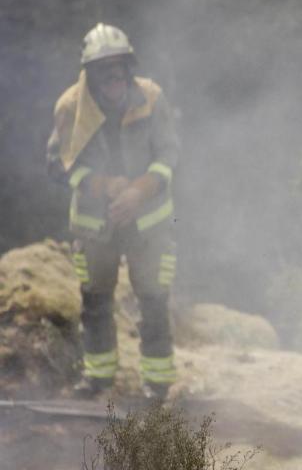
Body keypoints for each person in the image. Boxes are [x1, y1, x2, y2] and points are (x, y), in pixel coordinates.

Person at [46, 23, 179, 401]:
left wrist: (139, 190)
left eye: (120, 66)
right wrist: (103, 186)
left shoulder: (151, 98)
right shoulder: (71, 107)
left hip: (149, 224)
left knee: (153, 299)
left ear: (129, 66)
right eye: (105, 69)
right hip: (95, 226)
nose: (115, 75)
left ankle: (157, 385)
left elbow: (170, 153)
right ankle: (98, 380)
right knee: (96, 302)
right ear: (90, 73)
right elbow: (57, 165)